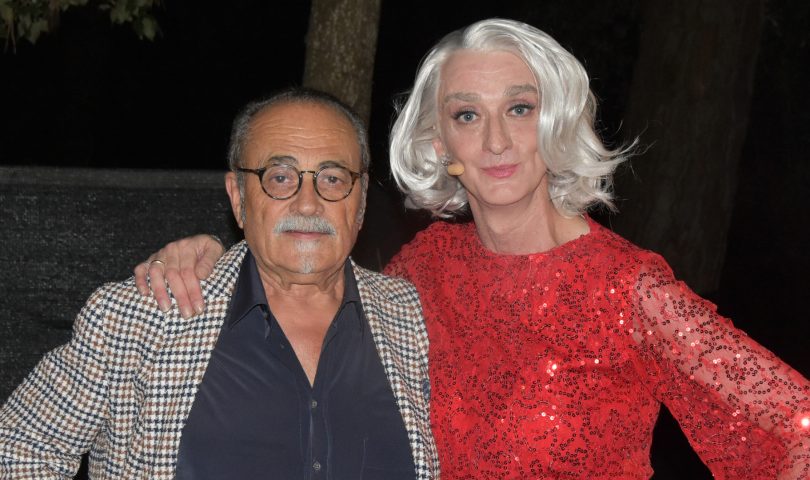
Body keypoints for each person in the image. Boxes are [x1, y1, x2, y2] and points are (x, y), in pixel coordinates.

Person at [134, 19, 810, 479]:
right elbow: (302, 293)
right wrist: (212, 252)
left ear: (555, 120)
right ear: (439, 143)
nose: (495, 141)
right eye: (467, 114)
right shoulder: (423, 270)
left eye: (519, 108)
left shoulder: (630, 289)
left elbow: (797, 427)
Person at [0, 88, 439, 479]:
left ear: (360, 201)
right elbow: (19, 447)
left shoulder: (415, 319)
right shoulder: (138, 318)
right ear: (238, 196)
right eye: (280, 177)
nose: (308, 203)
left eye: (333, 178)